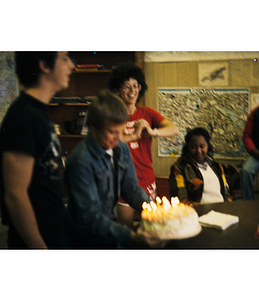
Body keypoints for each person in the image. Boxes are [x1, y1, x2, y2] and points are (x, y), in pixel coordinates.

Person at [65, 90, 163, 249]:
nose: (119, 138)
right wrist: (130, 236)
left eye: (121, 131)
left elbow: (130, 189)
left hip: (109, 226)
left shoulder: (121, 148)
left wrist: (154, 211)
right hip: (85, 238)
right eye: (112, 132)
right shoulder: (80, 162)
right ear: (93, 128)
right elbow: (89, 218)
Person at [0, 51, 75, 249]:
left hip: (54, 232)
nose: (71, 66)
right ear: (44, 65)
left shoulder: (39, 113)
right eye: (65, 58)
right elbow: (15, 194)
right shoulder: (24, 116)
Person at [107, 62, 179, 229]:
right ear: (118, 89)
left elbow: (173, 129)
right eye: (127, 87)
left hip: (146, 178)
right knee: (125, 231)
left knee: (152, 227)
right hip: (121, 181)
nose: (132, 91)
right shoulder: (112, 114)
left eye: (136, 86)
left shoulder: (147, 112)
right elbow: (107, 141)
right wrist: (134, 135)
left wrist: (153, 132)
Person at [169, 127, 229, 205]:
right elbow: (180, 200)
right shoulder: (179, 168)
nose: (198, 151)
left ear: (208, 146)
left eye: (202, 146)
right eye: (193, 147)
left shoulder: (217, 167)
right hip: (197, 213)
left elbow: (226, 193)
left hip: (221, 210)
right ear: (188, 147)